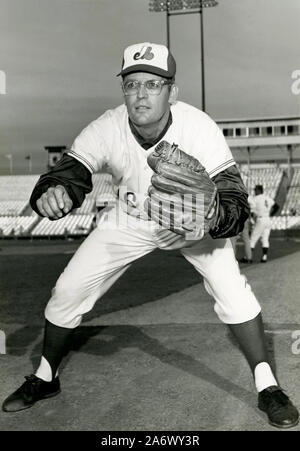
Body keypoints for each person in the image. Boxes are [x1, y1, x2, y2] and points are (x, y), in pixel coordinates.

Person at [2, 42, 298, 429]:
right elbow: (70, 172)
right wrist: (54, 191)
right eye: (132, 84)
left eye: (153, 85)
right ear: (123, 89)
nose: (140, 94)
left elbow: (234, 199)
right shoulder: (106, 127)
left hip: (193, 223)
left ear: (172, 92)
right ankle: (45, 377)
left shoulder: (199, 128)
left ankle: (268, 385)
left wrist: (213, 214)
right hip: (131, 219)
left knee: (235, 294)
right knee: (67, 290)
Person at [249, 185, 279, 263]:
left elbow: (251, 211)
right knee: (265, 239)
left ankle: (248, 257)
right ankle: (264, 257)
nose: (254, 191)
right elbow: (276, 207)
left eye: (255, 190)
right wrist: (271, 214)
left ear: (259, 190)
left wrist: (252, 219)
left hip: (261, 219)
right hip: (267, 219)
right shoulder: (267, 197)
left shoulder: (255, 198)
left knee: (253, 238)